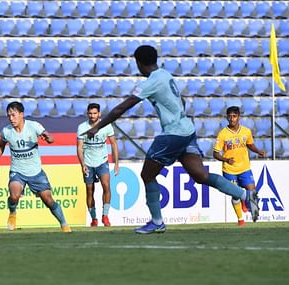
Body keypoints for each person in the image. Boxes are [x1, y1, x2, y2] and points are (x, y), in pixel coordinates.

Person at [83, 45, 260, 234]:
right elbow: (181, 101)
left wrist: (96, 128)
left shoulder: (150, 82)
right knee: (201, 176)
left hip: (173, 134)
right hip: (187, 130)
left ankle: (157, 221)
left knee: (147, 175)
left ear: (139, 63)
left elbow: (121, 109)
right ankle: (245, 194)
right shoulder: (166, 75)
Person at [0, 101, 72, 233]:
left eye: (14, 115)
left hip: (35, 172)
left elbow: (51, 139)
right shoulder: (7, 131)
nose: (11, 118)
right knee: (14, 195)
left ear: (21, 114)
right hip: (17, 171)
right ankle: (12, 213)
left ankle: (64, 224)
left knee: (48, 200)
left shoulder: (34, 126)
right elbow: (1, 145)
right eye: (9, 116)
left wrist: (48, 138)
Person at [213, 106, 266, 226]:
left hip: (244, 168)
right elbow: (215, 154)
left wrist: (258, 151)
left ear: (239, 117)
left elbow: (250, 144)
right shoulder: (222, 134)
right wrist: (226, 159)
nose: (232, 119)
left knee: (252, 191)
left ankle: (254, 216)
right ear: (227, 118)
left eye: (234, 116)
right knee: (235, 194)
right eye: (230, 116)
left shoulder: (246, 131)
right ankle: (240, 219)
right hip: (229, 170)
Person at [77, 103, 119, 227]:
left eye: (95, 113)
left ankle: (105, 216)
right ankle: (94, 218)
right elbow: (79, 147)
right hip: (88, 163)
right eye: (90, 113)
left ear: (99, 114)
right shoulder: (82, 127)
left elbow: (114, 144)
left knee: (106, 186)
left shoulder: (106, 126)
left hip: (102, 161)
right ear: (87, 114)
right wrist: (82, 164)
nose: (92, 115)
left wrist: (116, 163)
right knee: (90, 191)